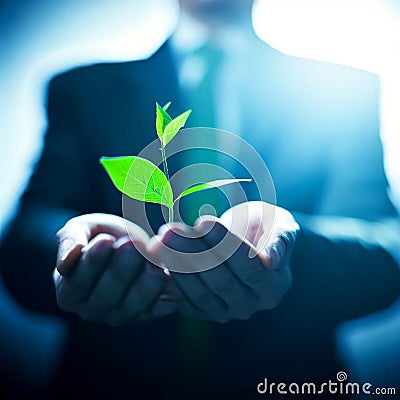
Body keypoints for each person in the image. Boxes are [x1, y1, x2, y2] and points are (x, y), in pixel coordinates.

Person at [1, 0, 400, 398]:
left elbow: (383, 244)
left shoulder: (343, 90)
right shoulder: (81, 90)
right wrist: (76, 251)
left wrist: (286, 251)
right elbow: (27, 235)